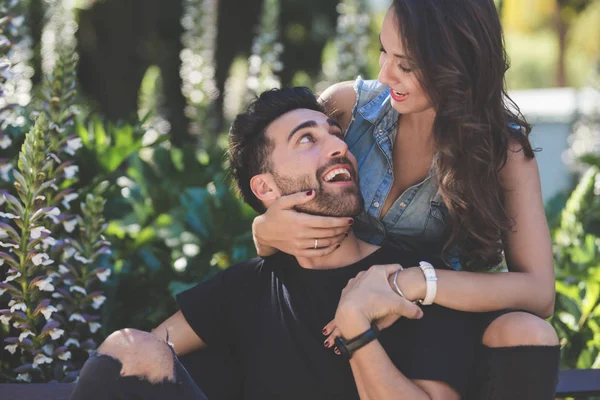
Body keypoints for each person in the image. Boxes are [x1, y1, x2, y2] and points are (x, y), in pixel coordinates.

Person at [70, 87, 482, 400]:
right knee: (128, 348)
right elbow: (129, 365)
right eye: (307, 140)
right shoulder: (244, 289)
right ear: (265, 186)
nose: (339, 146)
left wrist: (356, 328)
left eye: (336, 135)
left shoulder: (413, 280)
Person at [251, 1, 560, 398]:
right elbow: (274, 183)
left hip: (432, 331)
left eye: (406, 65)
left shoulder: (502, 152)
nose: (384, 74)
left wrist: (409, 282)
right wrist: (264, 232)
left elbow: (539, 293)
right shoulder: (346, 112)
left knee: (528, 332)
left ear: (458, 63)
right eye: (384, 50)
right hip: (327, 317)